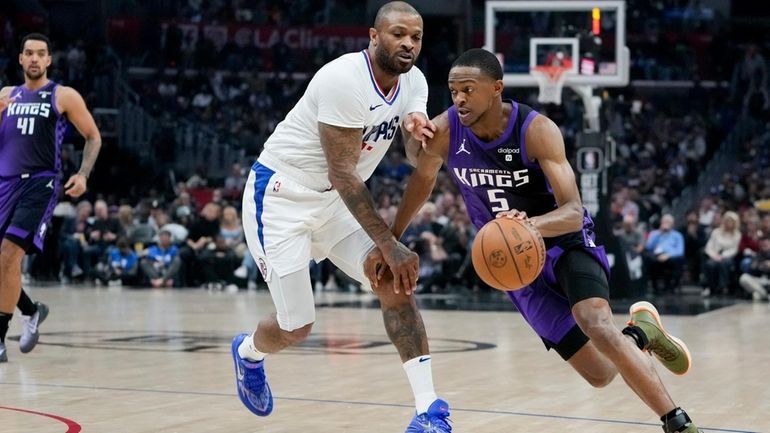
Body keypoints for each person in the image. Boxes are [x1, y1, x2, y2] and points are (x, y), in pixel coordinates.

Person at [367, 48, 702, 433]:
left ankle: (677, 422)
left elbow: (574, 210)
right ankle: (642, 332)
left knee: (594, 320)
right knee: (600, 372)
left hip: (564, 241)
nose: (458, 98)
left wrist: (530, 227)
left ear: (496, 88)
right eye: (453, 90)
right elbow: (421, 178)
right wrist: (391, 240)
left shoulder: (536, 129)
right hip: (514, 264)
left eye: (468, 90)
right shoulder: (445, 131)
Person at [232, 3, 451, 431]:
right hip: (281, 199)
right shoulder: (342, 79)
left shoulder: (415, 82)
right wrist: (388, 242)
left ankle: (429, 410)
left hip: (334, 205)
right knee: (297, 326)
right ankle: (248, 354)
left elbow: (410, 154)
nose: (408, 43)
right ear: (374, 36)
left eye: (416, 37)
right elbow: (343, 173)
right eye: (398, 34)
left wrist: (419, 138)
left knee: (393, 281)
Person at [0, 33, 101, 362]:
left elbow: (93, 136)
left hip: (40, 183)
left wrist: (83, 174)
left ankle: (0, 338)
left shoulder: (62, 95)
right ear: (19, 59)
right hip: (5, 184)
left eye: (40, 53)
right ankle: (31, 310)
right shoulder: (5, 95)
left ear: (48, 60)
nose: (33, 58)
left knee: (9, 255)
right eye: (28, 53)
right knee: (3, 264)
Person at [702, 210, 741, 297]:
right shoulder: (716, 232)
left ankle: (723, 287)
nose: (728, 223)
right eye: (727, 221)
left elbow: (735, 249)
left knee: (724, 264)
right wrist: (714, 255)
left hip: (728, 257)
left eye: (730, 221)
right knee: (709, 264)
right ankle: (710, 287)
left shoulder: (737, 234)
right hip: (715, 255)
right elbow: (709, 247)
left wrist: (723, 256)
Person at [644, 214, 686, 294]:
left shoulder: (677, 235)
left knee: (678, 260)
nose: (666, 224)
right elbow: (648, 247)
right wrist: (659, 233)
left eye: (668, 222)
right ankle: (654, 287)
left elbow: (680, 251)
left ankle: (671, 287)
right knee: (649, 258)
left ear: (672, 224)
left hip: (671, 257)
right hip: (656, 256)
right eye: (664, 222)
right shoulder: (654, 234)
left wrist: (668, 255)